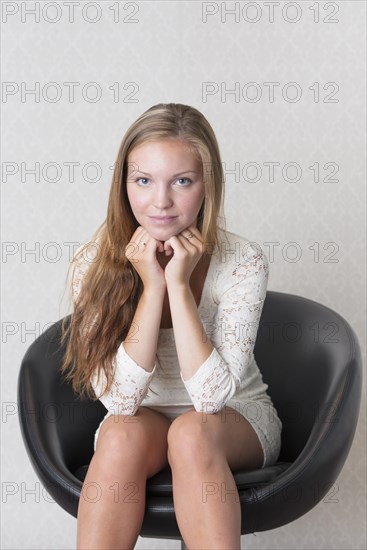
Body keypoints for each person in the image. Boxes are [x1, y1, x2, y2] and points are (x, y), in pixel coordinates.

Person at [60, 103, 282, 550]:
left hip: (232, 418)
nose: (160, 202)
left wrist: (178, 286)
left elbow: (210, 398)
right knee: (119, 434)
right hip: (140, 420)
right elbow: (121, 401)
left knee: (191, 432)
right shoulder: (92, 263)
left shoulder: (242, 261)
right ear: (124, 185)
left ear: (207, 186)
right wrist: (152, 288)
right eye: (144, 181)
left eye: (182, 181)